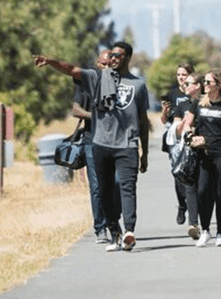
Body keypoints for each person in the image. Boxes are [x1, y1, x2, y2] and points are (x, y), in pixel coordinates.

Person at [34, 42, 150, 252]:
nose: (113, 59)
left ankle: (129, 231)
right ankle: (114, 232)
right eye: (111, 55)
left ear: (127, 58)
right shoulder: (97, 78)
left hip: (128, 145)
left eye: (118, 55)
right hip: (100, 144)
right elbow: (72, 69)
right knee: (104, 191)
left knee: (127, 188)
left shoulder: (138, 85)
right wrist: (51, 62)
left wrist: (145, 153)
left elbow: (143, 121)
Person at [178, 69, 221, 247]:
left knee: (220, 194)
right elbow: (187, 125)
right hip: (202, 154)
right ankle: (205, 230)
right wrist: (191, 136)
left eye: (208, 82)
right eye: (204, 82)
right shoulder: (198, 103)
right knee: (202, 192)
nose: (204, 85)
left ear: (218, 84)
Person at [71, 49, 113, 243]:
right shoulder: (85, 82)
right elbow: (76, 110)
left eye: (109, 65)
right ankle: (101, 228)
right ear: (97, 64)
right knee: (96, 186)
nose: (106, 68)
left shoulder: (119, 83)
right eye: (103, 65)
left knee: (117, 184)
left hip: (115, 141)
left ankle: (115, 221)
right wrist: (95, 116)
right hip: (91, 139)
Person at [160, 62, 196, 224]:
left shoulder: (196, 93)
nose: (181, 78)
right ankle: (182, 205)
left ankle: (195, 207)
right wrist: (164, 112)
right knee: (178, 172)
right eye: (179, 75)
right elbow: (164, 121)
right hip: (175, 138)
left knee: (193, 173)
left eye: (185, 74)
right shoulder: (172, 94)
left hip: (192, 136)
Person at [170, 71, 204, 240]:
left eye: (188, 83)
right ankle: (193, 223)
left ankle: (204, 222)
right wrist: (184, 126)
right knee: (189, 184)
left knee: (204, 188)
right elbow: (177, 128)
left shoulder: (208, 102)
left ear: (197, 85)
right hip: (189, 149)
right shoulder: (183, 104)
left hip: (208, 150)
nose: (184, 85)